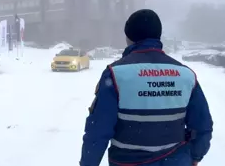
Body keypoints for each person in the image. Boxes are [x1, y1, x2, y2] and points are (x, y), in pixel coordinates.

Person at [79, 9, 213, 166]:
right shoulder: (186, 75)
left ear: (129, 37)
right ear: (158, 35)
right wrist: (196, 156)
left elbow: (98, 130)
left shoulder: (116, 74)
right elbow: (202, 125)